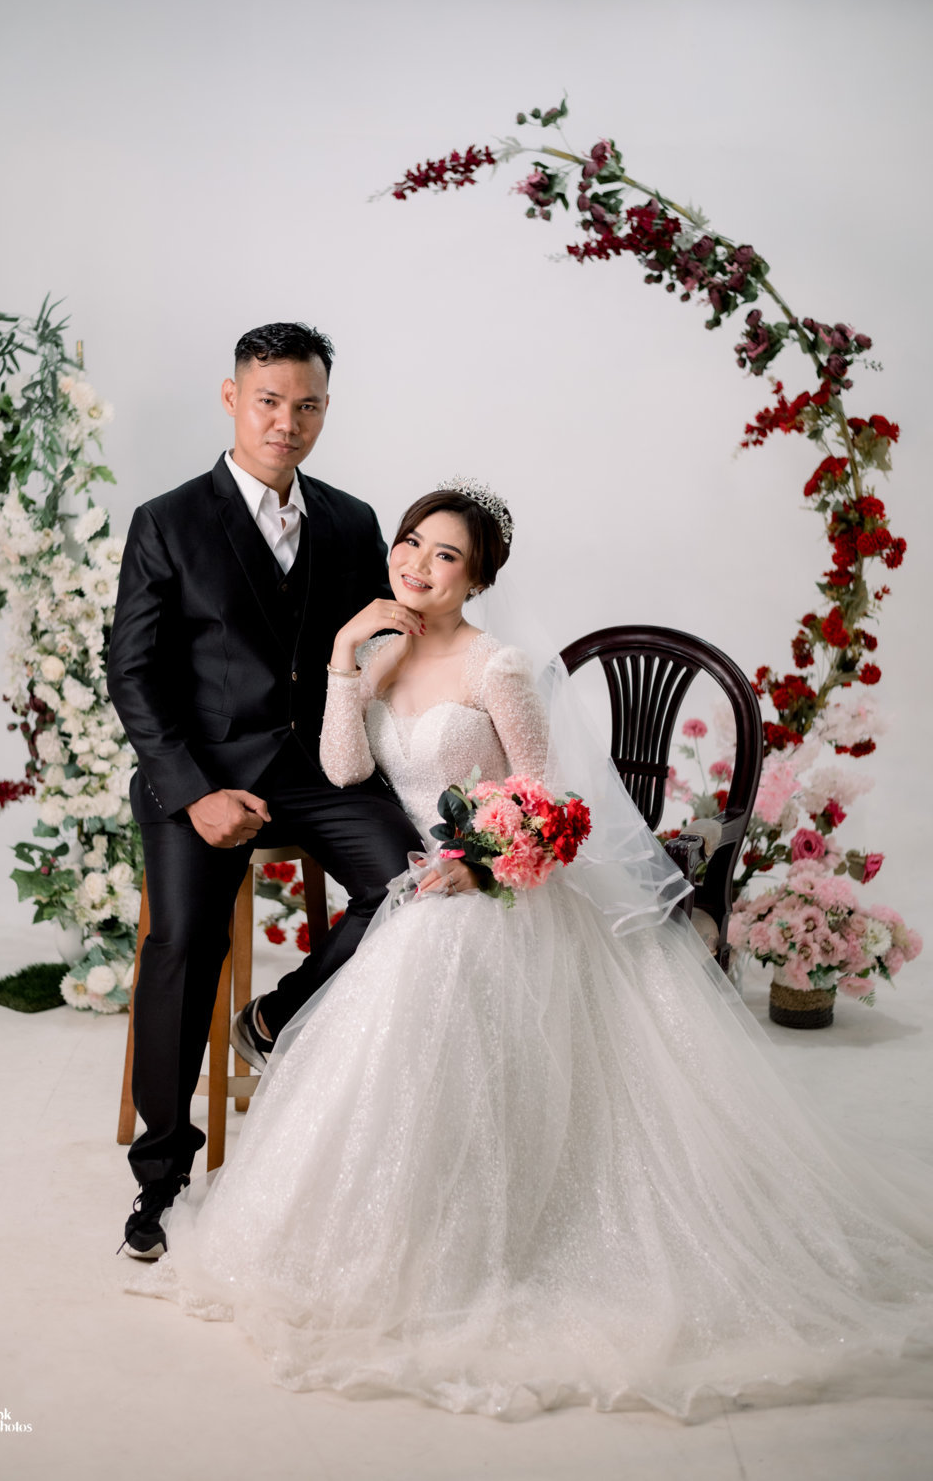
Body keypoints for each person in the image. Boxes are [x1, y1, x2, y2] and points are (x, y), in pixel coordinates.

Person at [130, 480, 933, 1421]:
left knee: (427, 959)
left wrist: (479, 865)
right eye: (411, 544)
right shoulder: (380, 653)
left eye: (446, 556)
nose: (419, 565)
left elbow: (549, 800)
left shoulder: (496, 665)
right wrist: (346, 657)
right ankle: (384, 1210)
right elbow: (346, 769)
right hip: (428, 876)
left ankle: (476, 1227)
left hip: (493, 885)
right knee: (402, 953)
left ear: (477, 579)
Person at [107, 323, 422, 1259]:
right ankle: (161, 1175)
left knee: (411, 881)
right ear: (232, 399)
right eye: (269, 401)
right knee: (183, 942)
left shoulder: (352, 521)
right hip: (201, 772)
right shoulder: (168, 521)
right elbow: (133, 673)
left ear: (326, 408)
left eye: (307, 405)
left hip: (317, 769)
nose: (288, 422)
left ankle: (276, 1016)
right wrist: (193, 792)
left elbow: (384, 644)